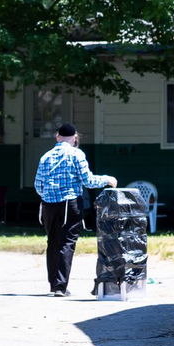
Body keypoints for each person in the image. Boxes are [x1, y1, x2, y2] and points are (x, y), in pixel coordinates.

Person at [33, 123, 117, 297]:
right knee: (67, 242)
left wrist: (49, 196)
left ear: (57, 136)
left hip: (48, 205)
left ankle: (54, 284)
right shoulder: (76, 154)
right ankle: (60, 287)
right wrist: (107, 179)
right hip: (69, 203)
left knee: (52, 242)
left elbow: (38, 185)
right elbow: (88, 181)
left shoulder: (45, 156)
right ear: (74, 138)